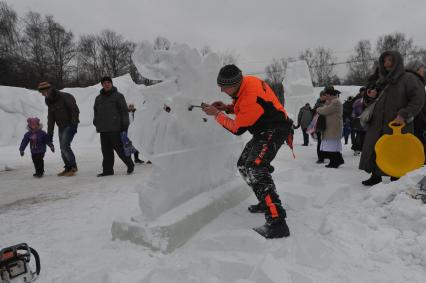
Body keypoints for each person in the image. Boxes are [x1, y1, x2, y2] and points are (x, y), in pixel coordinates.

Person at [202, 64, 291, 239]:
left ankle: (277, 221)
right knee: (243, 165)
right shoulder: (247, 83)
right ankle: (265, 200)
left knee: (255, 167)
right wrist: (227, 108)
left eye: (223, 86)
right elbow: (243, 106)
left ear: (234, 84)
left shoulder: (251, 95)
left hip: (275, 129)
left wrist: (216, 115)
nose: (220, 89)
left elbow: (237, 128)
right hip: (263, 129)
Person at [359, 51, 425, 186]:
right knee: (376, 148)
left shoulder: (408, 78)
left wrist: (404, 114)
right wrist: (371, 97)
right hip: (377, 124)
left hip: (398, 124)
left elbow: (418, 99)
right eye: (384, 61)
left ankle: (396, 175)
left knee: (397, 150)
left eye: (390, 60)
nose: (386, 64)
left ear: (397, 62)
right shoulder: (381, 80)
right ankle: (375, 175)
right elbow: (374, 102)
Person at [93, 76, 135, 177]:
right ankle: (107, 170)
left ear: (111, 84)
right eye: (104, 83)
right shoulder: (98, 98)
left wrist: (125, 127)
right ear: (102, 85)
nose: (106, 84)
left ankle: (130, 165)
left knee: (120, 150)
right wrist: (96, 122)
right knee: (106, 152)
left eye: (108, 82)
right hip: (103, 129)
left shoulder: (118, 96)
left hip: (115, 128)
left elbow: (124, 112)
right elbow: (96, 112)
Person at [38, 81, 79, 176]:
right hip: (62, 126)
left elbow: (74, 110)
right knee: (62, 148)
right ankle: (68, 167)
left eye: (44, 92)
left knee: (65, 146)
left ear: (49, 89)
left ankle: (73, 167)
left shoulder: (65, 96)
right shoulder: (49, 101)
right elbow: (51, 118)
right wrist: (50, 134)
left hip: (70, 125)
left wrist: (73, 122)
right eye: (41, 93)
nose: (43, 94)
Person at [316, 86, 345, 168]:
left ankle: (335, 162)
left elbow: (325, 111)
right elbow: (326, 108)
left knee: (331, 146)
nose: (325, 97)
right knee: (332, 146)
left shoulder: (335, 102)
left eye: (326, 95)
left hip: (333, 128)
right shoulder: (333, 101)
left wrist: (318, 109)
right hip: (332, 127)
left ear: (330, 95)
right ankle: (338, 160)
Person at [406, 60, 426, 160]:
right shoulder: (413, 80)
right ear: (416, 69)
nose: (424, 72)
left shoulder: (417, 81)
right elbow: (416, 101)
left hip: (417, 118)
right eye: (422, 70)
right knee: (418, 143)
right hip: (414, 118)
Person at [313, 91, 327, 163]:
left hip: (327, 125)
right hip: (319, 125)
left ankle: (326, 155)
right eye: (322, 95)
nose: (324, 97)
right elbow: (313, 114)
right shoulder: (317, 104)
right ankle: (320, 158)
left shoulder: (328, 103)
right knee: (320, 142)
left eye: (325, 95)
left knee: (326, 142)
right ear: (320, 96)